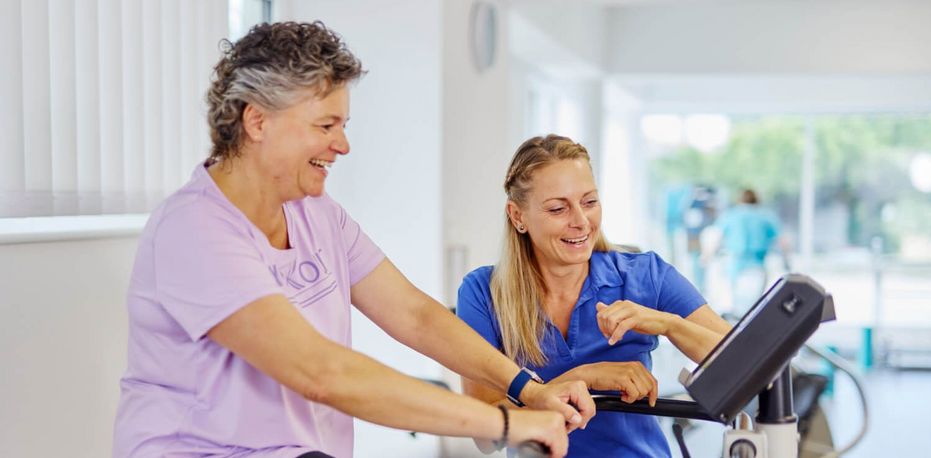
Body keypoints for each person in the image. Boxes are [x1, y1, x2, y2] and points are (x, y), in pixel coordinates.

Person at [112, 22, 595, 458]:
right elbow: (322, 373)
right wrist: (506, 422)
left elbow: (415, 315)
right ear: (256, 121)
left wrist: (526, 389)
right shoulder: (196, 229)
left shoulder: (315, 213)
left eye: (343, 125)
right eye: (325, 125)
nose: (342, 145)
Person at [457, 135, 731, 457]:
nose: (581, 222)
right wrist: (583, 378)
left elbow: (746, 364)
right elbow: (485, 434)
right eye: (558, 208)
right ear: (518, 217)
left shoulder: (645, 276)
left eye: (589, 202)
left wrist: (668, 324)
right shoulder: (483, 292)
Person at [706, 188, 789, 314]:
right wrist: (787, 261)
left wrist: (707, 256)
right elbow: (783, 241)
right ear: (757, 200)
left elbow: (716, 238)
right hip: (757, 263)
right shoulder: (765, 216)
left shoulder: (731, 215)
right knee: (755, 304)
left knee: (735, 301)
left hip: (735, 263)